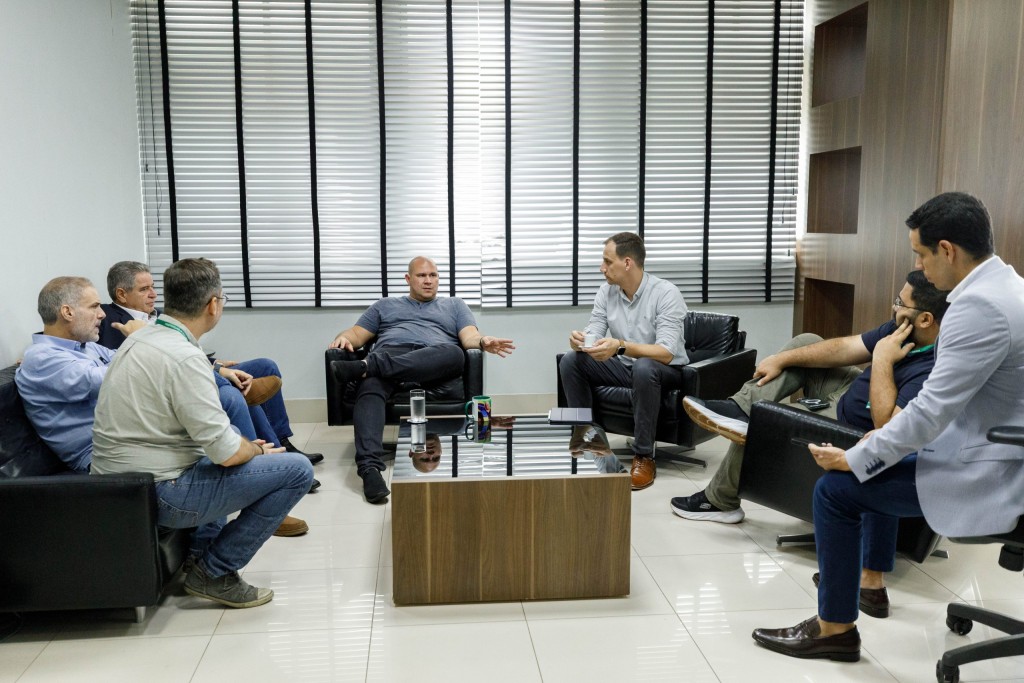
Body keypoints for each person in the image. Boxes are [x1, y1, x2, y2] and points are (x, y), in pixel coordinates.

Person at [752, 192, 1024, 662]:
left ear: (947, 250)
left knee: (837, 489)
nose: (919, 266)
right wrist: (879, 445)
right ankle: (862, 591)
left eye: (920, 254)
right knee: (879, 457)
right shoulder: (1012, 287)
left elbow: (929, 412)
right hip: (1003, 452)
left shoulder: (977, 308)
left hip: (992, 474)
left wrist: (857, 457)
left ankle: (835, 630)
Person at [674, 271, 947, 620]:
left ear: (925, 319)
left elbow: (888, 431)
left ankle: (720, 498)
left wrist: (881, 359)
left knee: (767, 419)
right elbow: (846, 348)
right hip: (847, 394)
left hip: (854, 428)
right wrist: (783, 359)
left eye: (900, 303)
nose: (894, 308)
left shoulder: (933, 367)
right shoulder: (901, 330)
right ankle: (739, 409)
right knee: (805, 343)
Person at [91, 258, 314, 609]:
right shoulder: (183, 356)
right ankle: (214, 572)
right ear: (213, 305)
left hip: (128, 482)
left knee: (231, 444)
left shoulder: (147, 336)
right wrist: (253, 451)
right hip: (157, 491)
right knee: (297, 470)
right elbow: (227, 453)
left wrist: (240, 446)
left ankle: (199, 554)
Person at [15, 276, 309, 537]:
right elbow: (126, 372)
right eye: (93, 307)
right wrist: (143, 337)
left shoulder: (87, 347)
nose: (102, 313)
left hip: (134, 436)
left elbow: (142, 359)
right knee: (227, 414)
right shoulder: (42, 360)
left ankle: (220, 526)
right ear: (67, 312)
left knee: (225, 426)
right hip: (103, 455)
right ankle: (257, 479)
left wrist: (215, 367)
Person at [96, 261, 324, 467]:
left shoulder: (162, 315)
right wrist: (216, 369)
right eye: (144, 289)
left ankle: (281, 441)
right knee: (235, 394)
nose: (153, 294)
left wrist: (216, 364)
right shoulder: (109, 319)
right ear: (121, 294)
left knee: (266, 366)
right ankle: (269, 461)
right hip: (174, 376)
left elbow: (181, 350)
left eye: (154, 287)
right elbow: (163, 358)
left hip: (201, 365)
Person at [329, 256, 515, 503]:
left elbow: (470, 337)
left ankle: (369, 366)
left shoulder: (455, 305)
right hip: (393, 354)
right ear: (408, 279)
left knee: (455, 353)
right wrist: (344, 338)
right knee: (370, 386)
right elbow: (355, 333)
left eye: (433, 275)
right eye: (422, 275)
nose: (428, 281)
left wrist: (482, 341)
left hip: (433, 361)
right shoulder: (385, 305)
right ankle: (369, 469)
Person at [558, 232, 689, 490]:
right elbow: (595, 329)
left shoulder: (666, 293)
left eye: (607, 261)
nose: (602, 267)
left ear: (627, 262)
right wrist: (581, 342)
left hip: (666, 370)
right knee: (571, 361)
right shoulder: (606, 292)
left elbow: (666, 352)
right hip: (627, 367)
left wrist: (620, 346)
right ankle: (588, 436)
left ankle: (644, 456)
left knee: (643, 366)